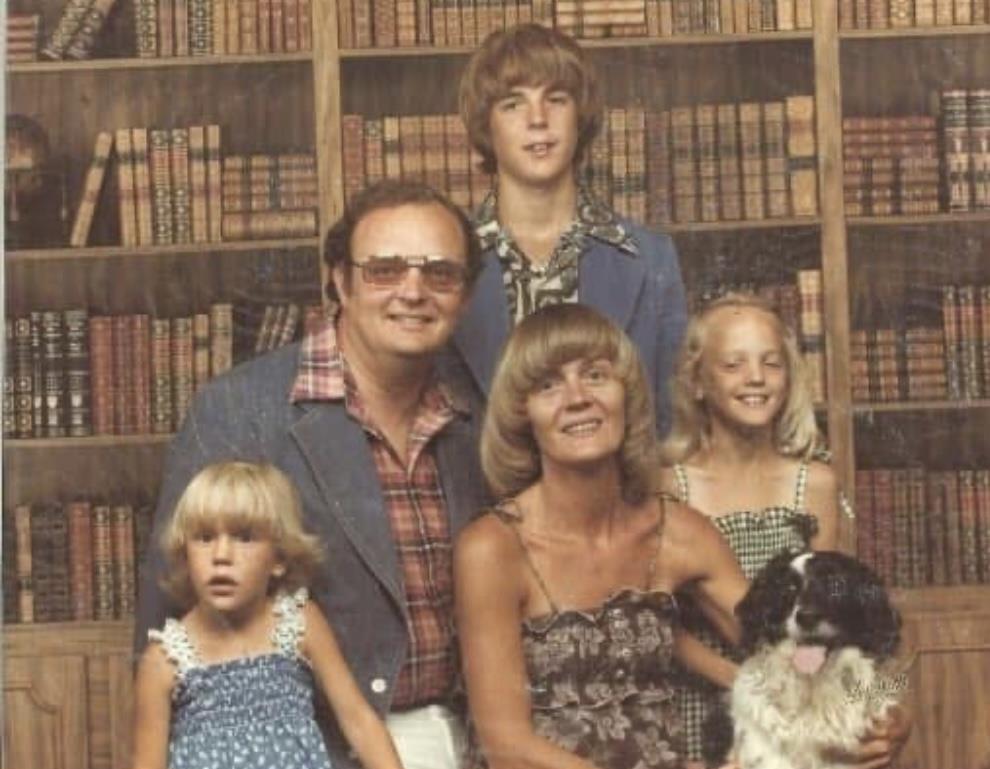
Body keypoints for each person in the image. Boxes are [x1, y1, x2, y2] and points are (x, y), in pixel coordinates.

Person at [135, 179, 491, 769]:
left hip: (466, 743)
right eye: (384, 269)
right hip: (314, 752)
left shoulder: (478, 415)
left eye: (440, 273)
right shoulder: (240, 410)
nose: (413, 290)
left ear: (466, 294)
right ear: (339, 280)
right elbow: (165, 615)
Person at [454, 303, 748, 769]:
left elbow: (795, 655)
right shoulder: (492, 547)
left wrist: (882, 704)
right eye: (548, 385)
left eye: (595, 375)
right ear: (521, 414)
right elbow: (506, 746)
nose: (577, 398)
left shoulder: (680, 532)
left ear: (626, 396)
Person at [659, 292, 907, 767]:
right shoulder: (669, 485)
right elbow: (660, 628)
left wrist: (881, 708)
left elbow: (830, 615)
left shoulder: (814, 481)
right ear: (696, 381)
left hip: (800, 703)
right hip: (705, 703)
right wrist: (749, 685)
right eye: (733, 364)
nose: (756, 378)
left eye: (771, 364)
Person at [455, 23, 687, 434]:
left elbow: (672, 427)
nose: (538, 119)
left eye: (556, 99)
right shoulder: (448, 262)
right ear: (485, 125)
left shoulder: (651, 258)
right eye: (513, 104)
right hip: (479, 498)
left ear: (581, 118)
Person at [131, 461, 405, 769]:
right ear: (185, 556)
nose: (221, 557)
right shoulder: (164, 659)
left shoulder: (300, 622)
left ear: (279, 558)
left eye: (244, 538)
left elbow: (359, 722)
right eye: (205, 538)